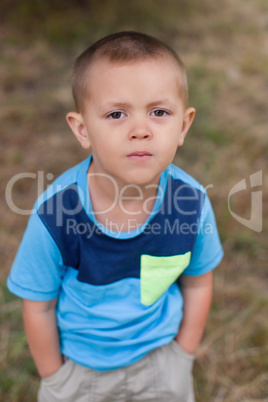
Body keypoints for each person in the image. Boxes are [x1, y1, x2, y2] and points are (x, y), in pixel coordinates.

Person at [7, 31, 223, 402]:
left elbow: (199, 282)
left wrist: (182, 354)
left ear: (183, 126)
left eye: (159, 112)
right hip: (80, 369)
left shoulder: (191, 204)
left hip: (160, 360)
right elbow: (39, 304)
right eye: (116, 114)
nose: (140, 130)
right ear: (82, 129)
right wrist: (56, 378)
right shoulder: (56, 213)